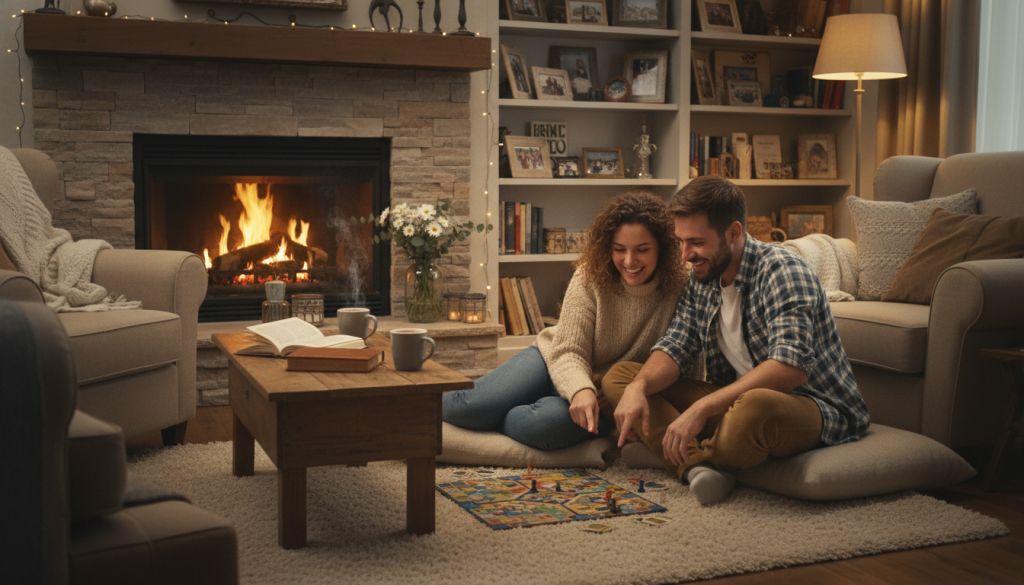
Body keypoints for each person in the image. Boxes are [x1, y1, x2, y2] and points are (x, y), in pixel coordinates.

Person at [604, 176, 869, 504]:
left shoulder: (784, 271)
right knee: (623, 376)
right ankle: (697, 465)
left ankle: (672, 452)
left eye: (696, 242)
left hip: (807, 406)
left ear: (733, 233)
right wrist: (638, 388)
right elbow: (676, 346)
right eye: (681, 241)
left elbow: (790, 370)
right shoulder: (704, 275)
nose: (686, 255)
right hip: (733, 402)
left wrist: (702, 407)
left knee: (755, 407)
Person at [443, 191, 688, 450]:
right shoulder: (590, 275)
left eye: (642, 250)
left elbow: (676, 361)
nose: (629, 261)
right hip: (554, 359)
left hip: (609, 394)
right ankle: (463, 408)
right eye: (619, 249)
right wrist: (580, 389)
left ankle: (501, 416)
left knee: (542, 426)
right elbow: (568, 349)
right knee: (471, 408)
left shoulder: (681, 285)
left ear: (663, 247)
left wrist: (605, 393)